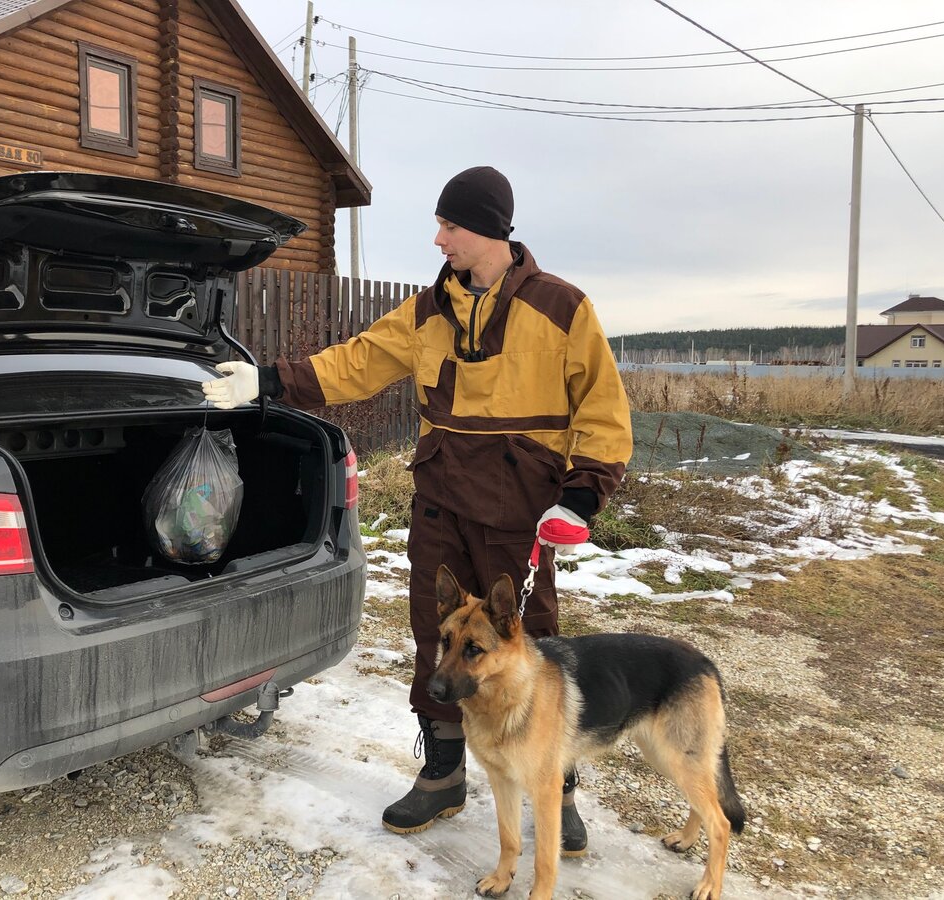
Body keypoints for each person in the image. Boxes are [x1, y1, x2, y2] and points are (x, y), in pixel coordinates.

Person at [202, 166, 633, 851]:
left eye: (450, 226)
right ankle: (442, 774)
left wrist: (583, 496)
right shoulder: (427, 311)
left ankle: (559, 785)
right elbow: (358, 363)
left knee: (534, 648)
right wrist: (273, 380)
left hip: (518, 513)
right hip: (441, 506)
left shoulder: (562, 308)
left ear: (491, 229)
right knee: (437, 639)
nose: (438, 240)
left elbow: (603, 410)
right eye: (439, 225)